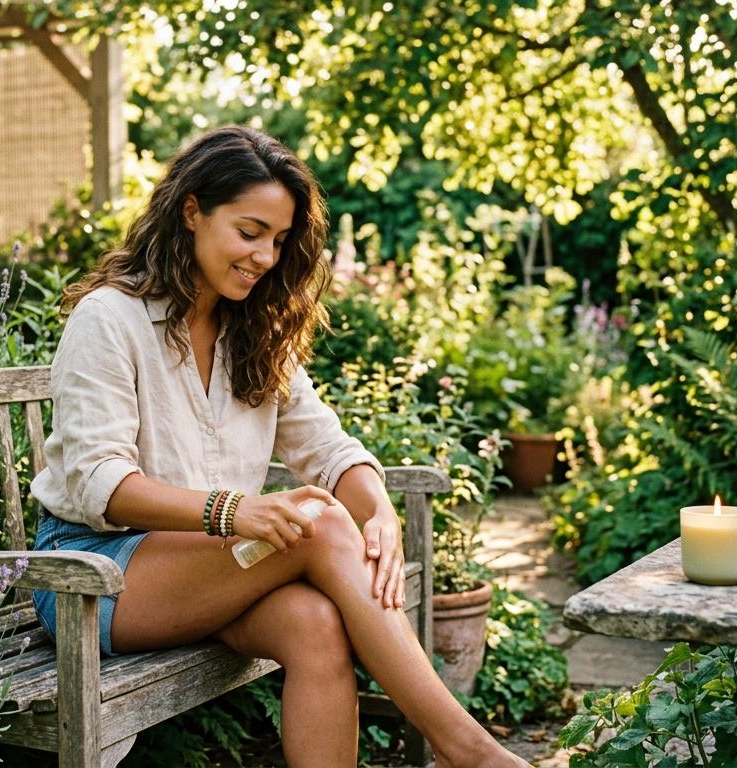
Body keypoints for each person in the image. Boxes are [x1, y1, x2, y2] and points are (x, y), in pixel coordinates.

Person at [30, 125, 528, 768]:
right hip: (93, 577)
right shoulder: (110, 318)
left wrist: (377, 510)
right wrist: (234, 512)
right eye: (249, 231)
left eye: (279, 239)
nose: (265, 256)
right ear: (191, 211)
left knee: (316, 626)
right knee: (318, 524)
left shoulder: (254, 329)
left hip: (207, 567)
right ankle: (474, 753)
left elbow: (326, 447)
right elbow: (100, 482)